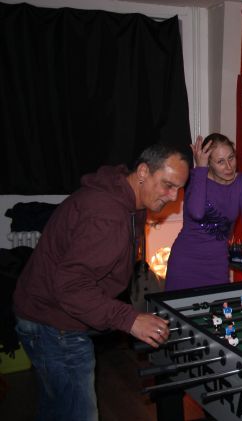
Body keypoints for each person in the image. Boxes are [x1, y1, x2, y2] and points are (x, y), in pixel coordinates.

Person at [13, 144, 190, 421]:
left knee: (56, 408)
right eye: (168, 185)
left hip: (42, 314)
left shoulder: (126, 198)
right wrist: (130, 319)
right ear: (143, 172)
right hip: (54, 325)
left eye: (179, 189)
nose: (173, 197)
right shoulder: (107, 216)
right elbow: (71, 287)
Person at [165, 134, 242, 290]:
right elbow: (197, 213)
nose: (229, 167)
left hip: (217, 266)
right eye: (220, 162)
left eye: (231, 158)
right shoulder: (195, 178)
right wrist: (200, 169)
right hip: (185, 265)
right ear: (208, 163)